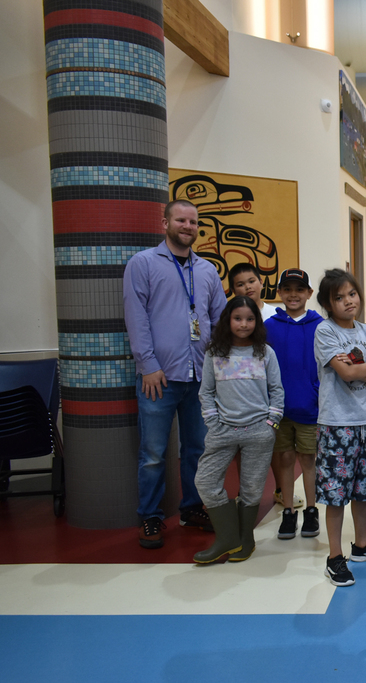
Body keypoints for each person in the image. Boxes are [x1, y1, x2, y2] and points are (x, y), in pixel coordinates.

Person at [123, 199, 227, 549]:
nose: (188, 226)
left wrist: (218, 369)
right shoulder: (143, 264)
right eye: (180, 220)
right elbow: (136, 319)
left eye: (193, 222)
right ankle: (150, 516)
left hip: (200, 378)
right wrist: (148, 365)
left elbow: (221, 321)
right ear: (164, 223)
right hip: (159, 378)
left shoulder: (208, 271)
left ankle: (192, 508)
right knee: (152, 453)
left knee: (196, 449)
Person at [314, 268, 366, 586]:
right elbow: (346, 374)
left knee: (362, 489)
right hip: (336, 424)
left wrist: (362, 368)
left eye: (352, 294)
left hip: (364, 421)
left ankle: (362, 544)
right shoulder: (326, 331)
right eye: (339, 297)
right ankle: (335, 557)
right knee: (336, 494)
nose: (348, 301)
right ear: (328, 303)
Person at [193, 297, 284, 564]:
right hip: (222, 431)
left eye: (250, 319)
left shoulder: (265, 353)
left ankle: (246, 540)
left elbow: (277, 391)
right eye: (237, 318)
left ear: (257, 322)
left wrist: (271, 423)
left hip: (259, 431)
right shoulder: (214, 353)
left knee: (252, 489)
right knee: (206, 482)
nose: (243, 324)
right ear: (227, 320)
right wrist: (212, 422)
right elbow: (206, 392)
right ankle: (228, 537)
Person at [265, 268, 323, 540]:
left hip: (310, 408)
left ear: (309, 294)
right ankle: (288, 510)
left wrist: (317, 393)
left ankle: (311, 510)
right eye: (287, 289)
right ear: (279, 294)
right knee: (285, 458)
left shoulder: (319, 326)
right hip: (278, 408)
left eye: (299, 289)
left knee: (308, 460)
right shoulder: (270, 327)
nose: (293, 294)